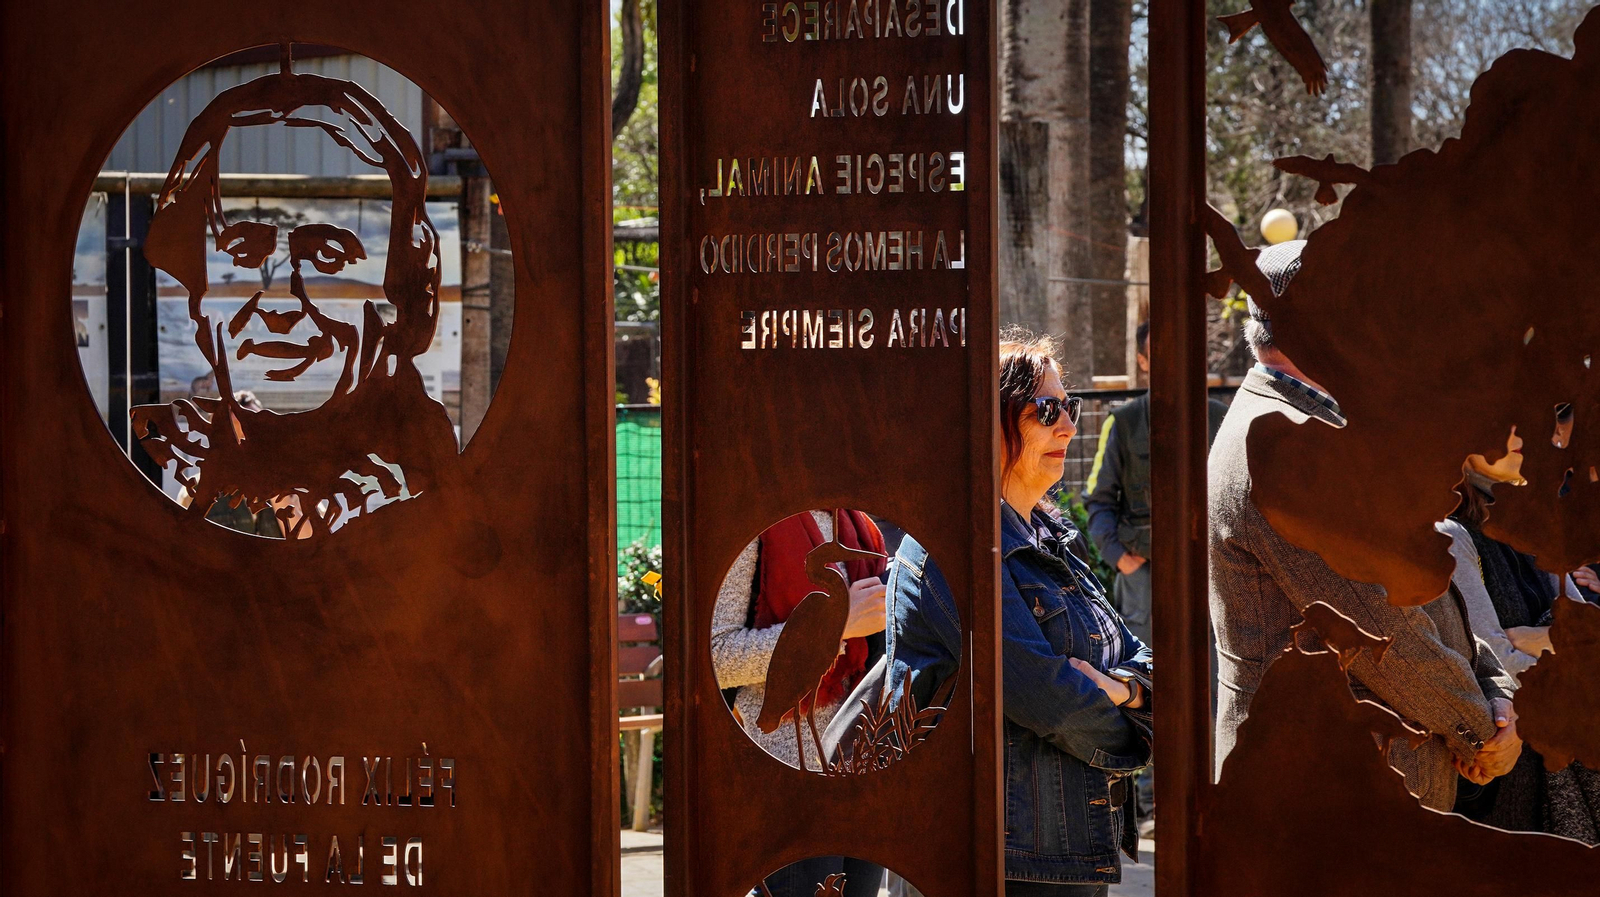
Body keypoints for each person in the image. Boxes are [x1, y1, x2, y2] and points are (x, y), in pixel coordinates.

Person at [1210, 240, 1520, 813]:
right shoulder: (1288, 447)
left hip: (1358, 784)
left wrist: (1495, 694)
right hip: (1332, 795)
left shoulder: (1317, 428)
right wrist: (1482, 728)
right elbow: (1382, 630)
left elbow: (1428, 592)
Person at [133, 60, 458, 538]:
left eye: (326, 254)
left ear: (404, 293)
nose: (283, 302)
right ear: (195, 299)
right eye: (244, 253)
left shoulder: (419, 495)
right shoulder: (172, 451)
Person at [882, 330, 1153, 896]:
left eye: (1069, 406)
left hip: (1064, 846)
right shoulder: (952, 548)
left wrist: (1124, 691)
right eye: (1046, 410)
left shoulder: (1048, 531)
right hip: (994, 858)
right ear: (990, 424)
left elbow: (1135, 652)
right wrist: (1144, 732)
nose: (1068, 426)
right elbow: (1044, 697)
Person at [711, 510, 888, 897]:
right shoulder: (755, 527)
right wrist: (835, 625)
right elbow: (715, 659)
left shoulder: (863, 525)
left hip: (864, 766)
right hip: (788, 772)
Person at [1438, 440, 1600, 841]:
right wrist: (1556, 645)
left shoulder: (1528, 525)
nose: (1520, 439)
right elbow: (1491, 660)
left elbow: (1590, 638)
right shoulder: (1450, 532)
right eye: (1504, 428)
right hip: (1515, 769)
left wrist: (1527, 637)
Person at [1084, 320, 1228, 645]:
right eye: (1158, 355)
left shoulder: (1222, 419)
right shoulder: (1122, 423)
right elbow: (1098, 498)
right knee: (1149, 678)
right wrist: (1120, 557)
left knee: (1212, 680)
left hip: (1211, 574)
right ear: (1143, 362)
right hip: (1143, 579)